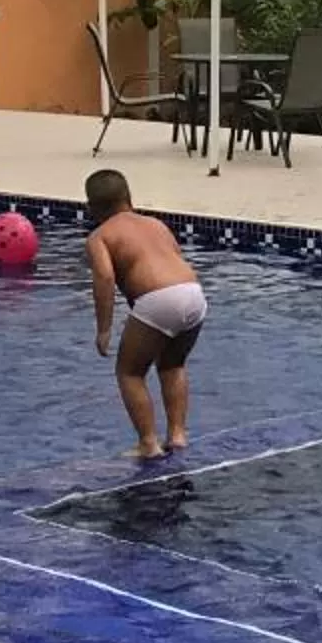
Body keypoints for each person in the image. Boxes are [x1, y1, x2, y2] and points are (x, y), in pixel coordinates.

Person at [85, 168, 206, 459]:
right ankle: (177, 435)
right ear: (129, 198)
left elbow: (104, 278)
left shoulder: (100, 236)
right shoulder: (156, 224)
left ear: (92, 208)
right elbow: (175, 257)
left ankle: (148, 443)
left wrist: (104, 329)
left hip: (159, 299)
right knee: (172, 364)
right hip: (193, 293)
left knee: (129, 372)